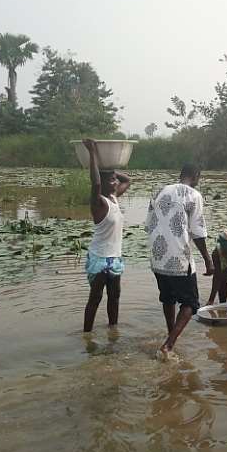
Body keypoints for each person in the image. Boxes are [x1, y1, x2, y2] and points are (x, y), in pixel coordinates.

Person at [146, 164, 214, 353]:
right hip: (179, 259)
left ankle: (170, 333)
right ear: (196, 176)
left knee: (167, 298)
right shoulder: (193, 195)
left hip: (157, 257)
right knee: (191, 304)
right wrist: (208, 260)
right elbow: (198, 232)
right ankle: (168, 345)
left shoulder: (160, 191)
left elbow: (148, 225)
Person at [82, 138, 132, 333]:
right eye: (111, 180)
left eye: (114, 179)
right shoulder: (99, 202)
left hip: (115, 258)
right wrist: (93, 154)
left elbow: (128, 180)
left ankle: (113, 331)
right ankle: (87, 335)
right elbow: (94, 182)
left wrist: (110, 169)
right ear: (102, 185)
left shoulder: (113, 198)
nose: (116, 182)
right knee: (95, 299)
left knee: (115, 297)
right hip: (100, 258)